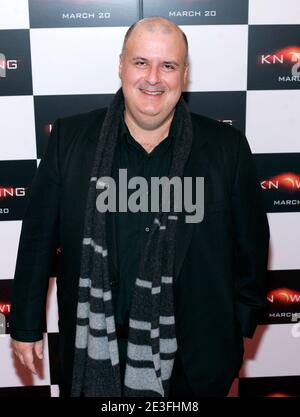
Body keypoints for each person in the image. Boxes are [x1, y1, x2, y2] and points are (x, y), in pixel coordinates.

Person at [10, 16, 269, 397]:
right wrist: (26, 326)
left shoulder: (227, 148)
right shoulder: (70, 139)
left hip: (194, 361)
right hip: (95, 351)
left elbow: (251, 249)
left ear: (184, 74)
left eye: (168, 65)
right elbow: (37, 243)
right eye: (140, 62)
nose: (153, 78)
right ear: (121, 65)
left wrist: (236, 330)